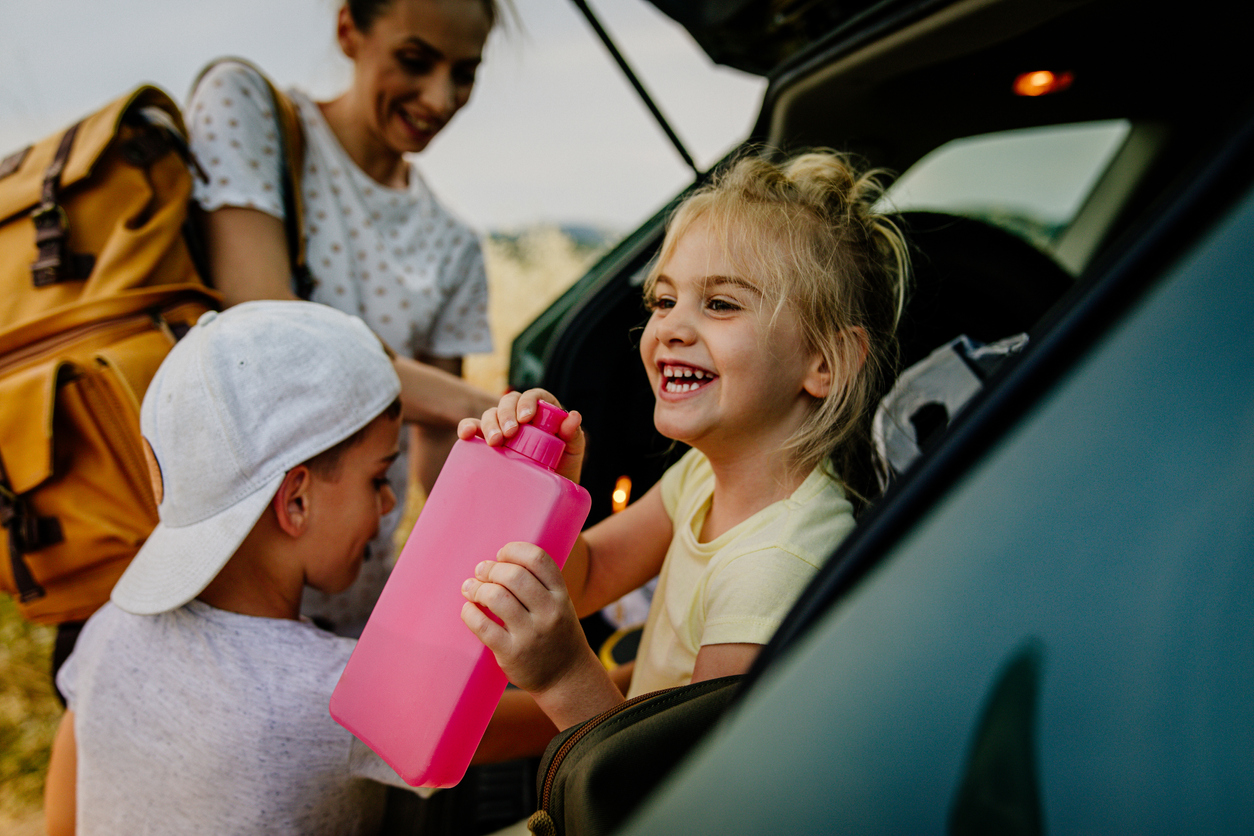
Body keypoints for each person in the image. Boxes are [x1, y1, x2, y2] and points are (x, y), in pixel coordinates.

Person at [459, 151, 910, 732]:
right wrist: (549, 495)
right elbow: (589, 578)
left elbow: (683, 795)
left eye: (720, 303)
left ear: (826, 361)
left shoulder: (776, 569)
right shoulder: (701, 476)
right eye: (664, 301)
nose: (671, 326)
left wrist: (564, 675)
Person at [44, 302, 426, 836]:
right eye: (378, 478)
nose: (388, 503)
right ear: (295, 501)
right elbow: (570, 720)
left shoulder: (107, 631)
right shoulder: (334, 696)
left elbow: (60, 826)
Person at [186, 0, 502, 635]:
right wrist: (477, 400)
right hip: (217, 598)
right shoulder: (247, 112)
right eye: (414, 61)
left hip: (351, 608)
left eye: (464, 74)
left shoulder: (454, 244)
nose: (439, 100)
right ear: (348, 29)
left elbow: (443, 463)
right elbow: (267, 330)